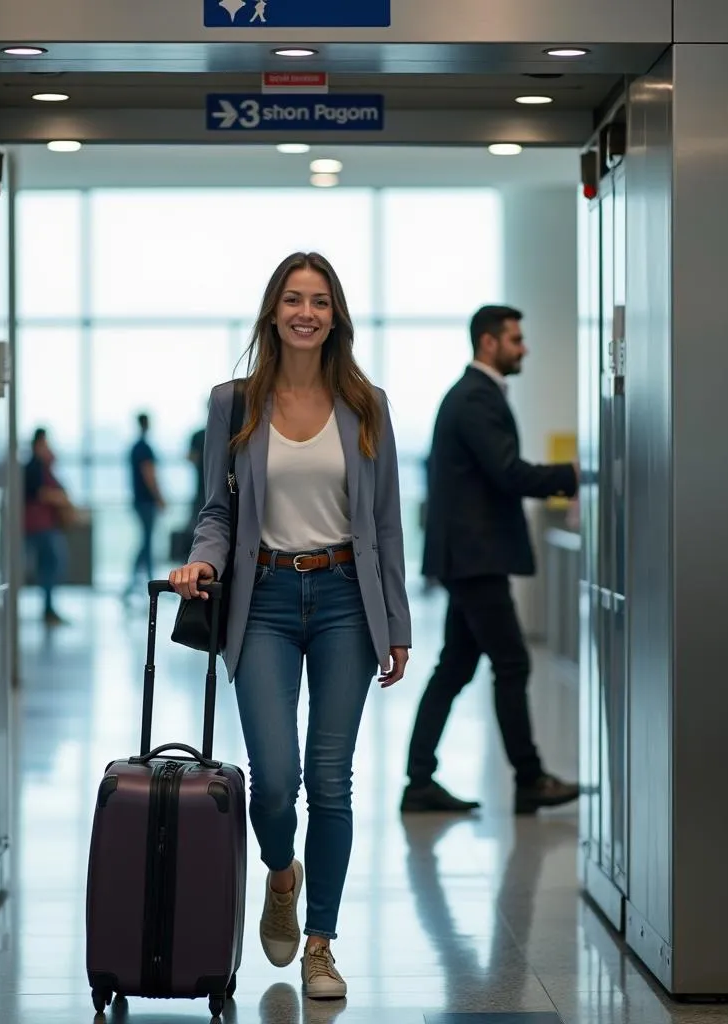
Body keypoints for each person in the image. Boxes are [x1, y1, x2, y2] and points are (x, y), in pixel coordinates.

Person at [169, 252, 411, 1002]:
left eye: (320, 301)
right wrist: (199, 561)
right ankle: (282, 873)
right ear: (273, 312)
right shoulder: (234, 402)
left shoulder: (366, 404)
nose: (306, 312)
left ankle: (320, 944)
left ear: (335, 316)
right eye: (292, 299)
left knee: (330, 783)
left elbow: (386, 522)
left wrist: (395, 623)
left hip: (345, 598)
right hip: (264, 600)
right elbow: (217, 508)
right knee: (275, 782)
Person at [403, 305, 580, 816]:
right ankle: (529, 779)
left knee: (455, 666)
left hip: (468, 555)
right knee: (511, 662)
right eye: (516, 339)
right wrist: (570, 473)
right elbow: (507, 471)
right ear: (488, 343)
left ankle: (419, 782)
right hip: (475, 556)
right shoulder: (476, 397)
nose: (523, 348)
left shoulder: (473, 395)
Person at [23, 428, 74, 625]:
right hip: (39, 527)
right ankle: (48, 609)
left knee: (51, 565)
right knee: (51, 565)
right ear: (38, 444)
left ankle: (49, 608)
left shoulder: (43, 467)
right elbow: (41, 493)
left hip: (46, 526)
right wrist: (60, 498)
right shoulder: (34, 467)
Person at [122, 413, 165, 604]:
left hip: (139, 501)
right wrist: (159, 497)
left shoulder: (135, 448)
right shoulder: (144, 448)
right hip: (146, 502)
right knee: (146, 543)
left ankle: (139, 582)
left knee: (146, 543)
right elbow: (149, 475)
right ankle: (146, 584)